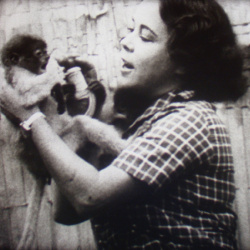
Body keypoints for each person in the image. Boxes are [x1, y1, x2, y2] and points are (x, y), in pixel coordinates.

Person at [0, 0, 247, 249]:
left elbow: (88, 196)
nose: (126, 42)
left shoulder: (192, 120)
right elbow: (67, 212)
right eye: (129, 31)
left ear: (184, 62)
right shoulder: (146, 123)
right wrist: (85, 109)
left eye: (145, 37)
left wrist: (29, 115)